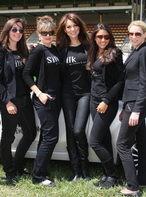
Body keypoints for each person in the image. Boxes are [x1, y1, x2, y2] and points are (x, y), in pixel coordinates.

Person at [0, 18, 36, 184]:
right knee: (8, 137)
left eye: (21, 30)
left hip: (25, 99)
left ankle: (17, 165)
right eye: (14, 30)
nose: (18, 33)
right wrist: (7, 101)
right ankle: (9, 170)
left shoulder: (24, 50)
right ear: (7, 31)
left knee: (30, 133)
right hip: (10, 101)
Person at [23, 15, 62, 187]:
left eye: (50, 32)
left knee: (47, 136)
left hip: (56, 98)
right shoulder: (37, 50)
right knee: (51, 137)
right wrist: (39, 93)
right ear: (39, 33)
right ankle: (38, 176)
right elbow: (26, 74)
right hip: (44, 99)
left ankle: (40, 170)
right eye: (44, 33)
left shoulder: (54, 49)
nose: (48, 35)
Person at [116, 20, 146, 197]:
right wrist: (125, 107)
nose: (134, 37)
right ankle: (142, 181)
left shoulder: (145, 51)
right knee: (142, 143)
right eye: (131, 34)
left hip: (138, 102)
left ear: (145, 35)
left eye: (138, 34)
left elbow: (144, 83)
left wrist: (136, 110)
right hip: (133, 102)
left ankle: (133, 187)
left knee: (122, 144)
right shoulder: (136, 51)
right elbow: (130, 82)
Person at [86, 23, 125, 189]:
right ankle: (106, 175)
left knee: (94, 141)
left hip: (106, 102)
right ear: (95, 38)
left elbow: (120, 82)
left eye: (106, 37)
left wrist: (106, 101)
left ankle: (114, 175)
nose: (103, 40)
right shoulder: (94, 52)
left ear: (111, 37)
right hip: (93, 100)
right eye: (100, 36)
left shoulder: (115, 53)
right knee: (104, 139)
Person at [56, 13, 91, 182]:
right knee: (71, 132)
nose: (72, 29)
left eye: (74, 25)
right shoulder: (61, 49)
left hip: (85, 93)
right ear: (64, 29)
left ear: (79, 26)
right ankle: (76, 171)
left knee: (79, 130)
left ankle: (86, 170)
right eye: (68, 27)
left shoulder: (89, 45)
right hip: (67, 94)